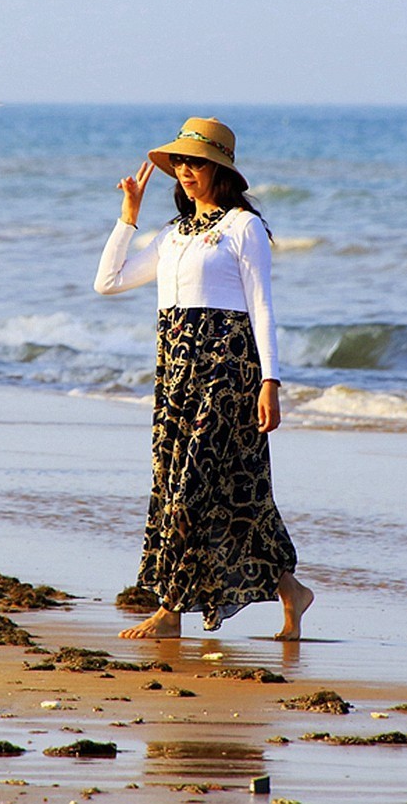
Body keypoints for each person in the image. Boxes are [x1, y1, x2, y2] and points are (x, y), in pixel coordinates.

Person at [94, 116, 313, 640]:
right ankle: (292, 591)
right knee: (227, 490)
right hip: (175, 378)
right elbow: (107, 282)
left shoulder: (242, 227)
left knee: (191, 489)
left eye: (198, 163)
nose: (187, 172)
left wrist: (271, 382)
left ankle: (169, 611)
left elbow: (262, 306)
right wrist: (128, 218)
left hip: (227, 372)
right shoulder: (172, 236)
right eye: (182, 163)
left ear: (221, 170)